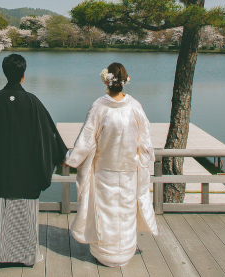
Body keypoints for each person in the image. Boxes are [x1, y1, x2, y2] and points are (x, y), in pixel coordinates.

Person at [0, 53, 68, 266]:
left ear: (5, 73)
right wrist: (61, 154)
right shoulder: (32, 102)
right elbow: (49, 134)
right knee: (23, 215)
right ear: (23, 75)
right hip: (27, 173)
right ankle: (26, 256)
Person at [64, 62, 158, 267]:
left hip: (104, 172)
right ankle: (124, 251)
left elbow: (86, 141)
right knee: (125, 212)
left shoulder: (100, 107)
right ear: (125, 81)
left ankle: (104, 252)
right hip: (128, 172)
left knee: (105, 212)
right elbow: (146, 142)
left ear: (106, 80)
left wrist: (71, 158)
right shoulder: (135, 107)